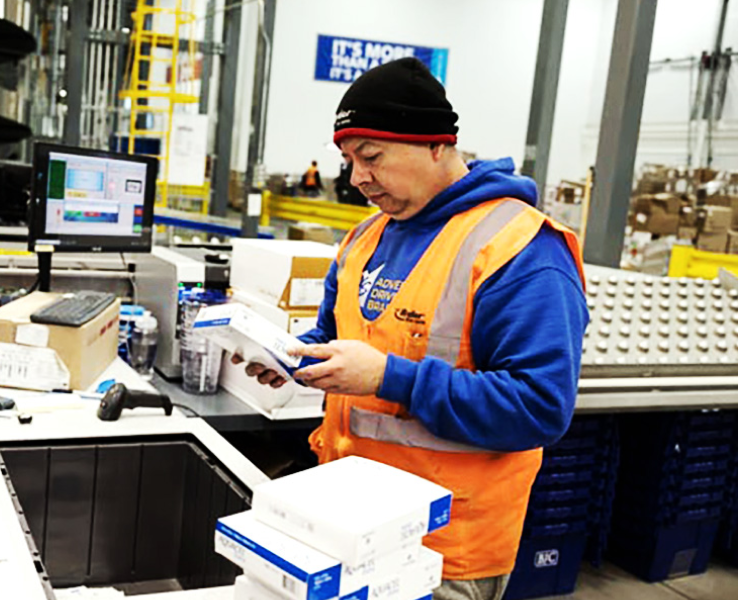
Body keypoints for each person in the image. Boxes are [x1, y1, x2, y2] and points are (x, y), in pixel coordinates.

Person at [237, 57, 588, 600]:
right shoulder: (366, 238)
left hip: (441, 550)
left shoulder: (519, 249)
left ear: (435, 144)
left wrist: (388, 379)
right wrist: (292, 358)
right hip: (342, 523)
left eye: (371, 156)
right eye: (349, 160)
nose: (357, 179)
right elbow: (336, 334)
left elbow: (539, 407)